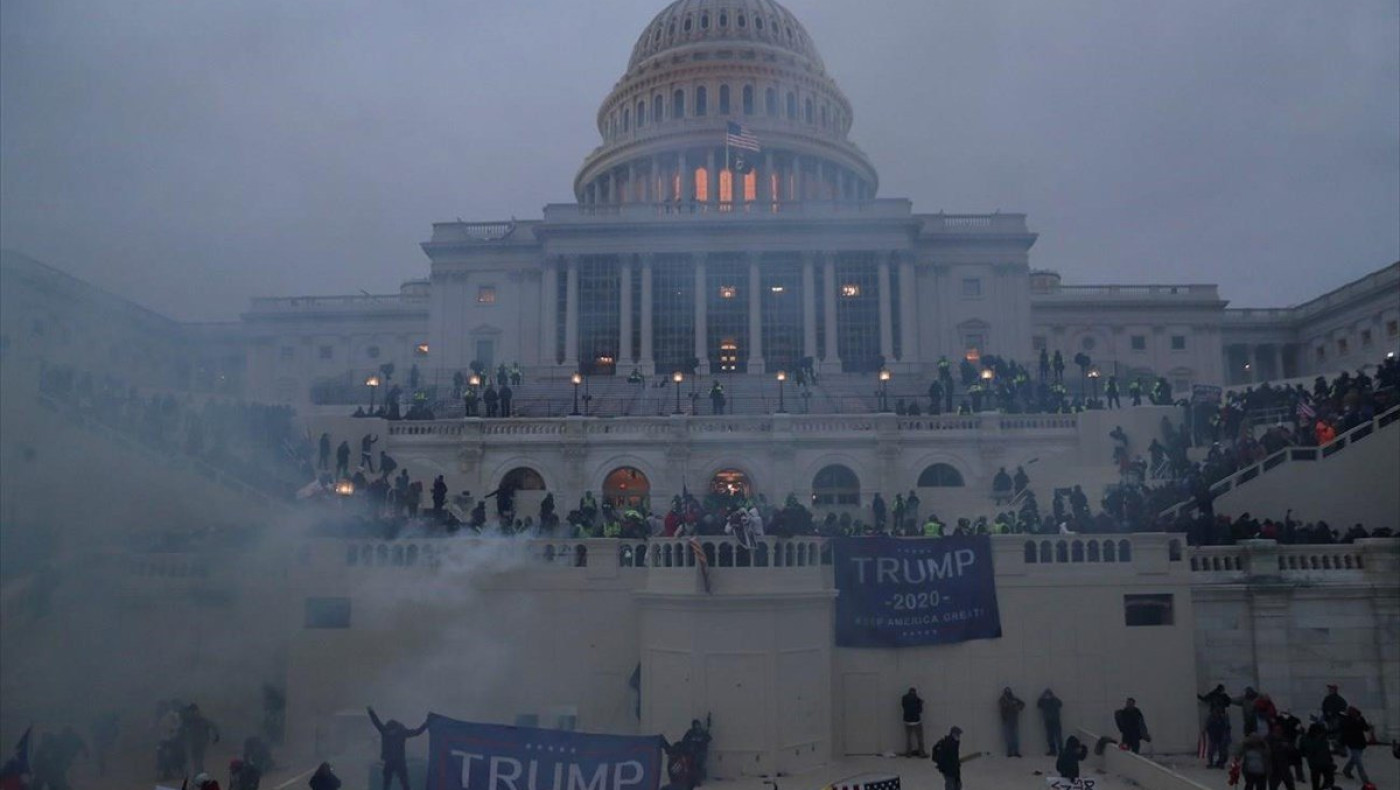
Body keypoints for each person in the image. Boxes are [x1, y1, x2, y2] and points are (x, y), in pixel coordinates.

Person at [368, 707, 427, 790]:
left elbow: (416, 732)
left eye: (392, 732)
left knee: (404, 782)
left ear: (396, 729)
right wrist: (371, 712)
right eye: (389, 732)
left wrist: (426, 724)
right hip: (390, 760)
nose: (391, 733)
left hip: (399, 761)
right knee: (387, 782)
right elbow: (376, 722)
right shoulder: (385, 731)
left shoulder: (401, 732)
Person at [182, 704, 220, 774]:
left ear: (196, 711)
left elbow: (213, 726)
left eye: (192, 711)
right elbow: (185, 732)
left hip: (201, 742)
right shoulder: (189, 721)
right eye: (190, 712)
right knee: (195, 758)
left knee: (198, 758)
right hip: (194, 742)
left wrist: (216, 736)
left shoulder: (203, 720)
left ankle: (198, 772)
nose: (191, 713)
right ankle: (199, 772)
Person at [1338, 707, 1371, 784]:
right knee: (1358, 762)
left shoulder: (1356, 719)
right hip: (1353, 743)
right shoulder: (1347, 720)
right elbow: (1345, 731)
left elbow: (1365, 728)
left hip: (1358, 742)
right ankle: (1365, 779)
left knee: (1354, 759)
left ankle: (1347, 770)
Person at [1298, 723, 1335, 790]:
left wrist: (1330, 759)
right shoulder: (1306, 739)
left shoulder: (1323, 738)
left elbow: (1327, 750)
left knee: (1329, 781)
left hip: (1324, 763)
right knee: (1317, 782)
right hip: (1316, 764)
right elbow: (1302, 751)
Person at [1265, 722, 1298, 790]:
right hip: (1274, 767)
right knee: (1273, 786)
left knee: (1290, 785)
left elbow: (1292, 750)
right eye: (1277, 730)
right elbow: (1267, 750)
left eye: (1280, 730)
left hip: (1284, 766)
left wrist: (1287, 746)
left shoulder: (1284, 739)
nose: (1279, 732)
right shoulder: (1269, 739)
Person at [998, 687, 1025, 757]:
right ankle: (1010, 751)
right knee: (1008, 737)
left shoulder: (1014, 699)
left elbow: (1022, 704)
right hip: (1006, 720)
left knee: (1015, 737)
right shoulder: (1003, 699)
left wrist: (1017, 707)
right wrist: (1010, 705)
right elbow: (1002, 703)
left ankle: (1016, 751)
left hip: (1013, 720)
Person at [1037, 689, 1063, 756]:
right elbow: (1038, 704)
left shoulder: (1054, 700)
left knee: (1058, 736)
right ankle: (1053, 750)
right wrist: (1042, 697)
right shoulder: (1044, 702)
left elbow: (1060, 704)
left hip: (1055, 721)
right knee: (1050, 737)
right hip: (1049, 721)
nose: (1048, 696)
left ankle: (1060, 750)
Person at [901, 687, 926, 757]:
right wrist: (921, 703)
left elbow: (903, 706)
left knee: (908, 738)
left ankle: (908, 753)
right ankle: (921, 753)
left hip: (907, 721)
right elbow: (920, 711)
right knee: (920, 737)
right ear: (915, 692)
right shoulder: (917, 699)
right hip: (916, 721)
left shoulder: (904, 698)